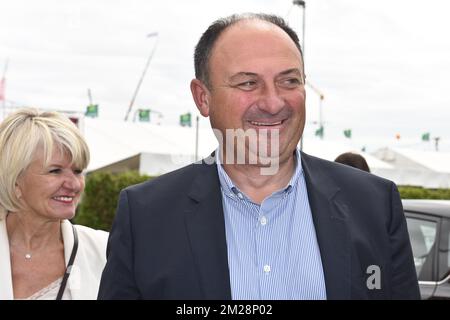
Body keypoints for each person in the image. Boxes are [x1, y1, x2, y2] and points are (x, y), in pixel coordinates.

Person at [98, 13, 420, 299]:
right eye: (248, 83)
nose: (272, 102)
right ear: (203, 98)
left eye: (289, 81)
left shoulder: (375, 204)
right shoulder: (146, 216)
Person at [0, 109, 108, 300]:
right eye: (55, 171)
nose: (74, 184)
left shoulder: (105, 251)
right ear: (15, 180)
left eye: (77, 171)